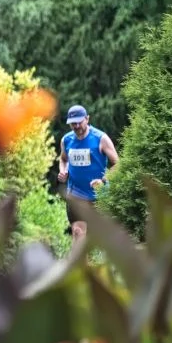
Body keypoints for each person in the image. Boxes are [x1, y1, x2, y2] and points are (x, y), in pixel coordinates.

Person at [57, 104, 119, 243]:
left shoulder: (101, 138)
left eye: (80, 122)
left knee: (102, 240)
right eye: (73, 123)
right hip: (76, 195)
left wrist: (103, 180)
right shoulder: (66, 140)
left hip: (99, 195)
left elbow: (118, 164)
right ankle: (80, 258)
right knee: (78, 233)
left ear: (87, 119)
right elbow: (63, 159)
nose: (77, 126)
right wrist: (63, 171)